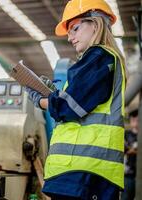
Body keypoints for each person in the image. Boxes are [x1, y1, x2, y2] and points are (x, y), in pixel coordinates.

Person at [26, 0, 126, 199]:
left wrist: (40, 100)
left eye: (75, 29)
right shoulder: (98, 61)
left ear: (95, 24)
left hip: (85, 173)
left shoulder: (99, 57)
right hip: (84, 173)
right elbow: (76, 101)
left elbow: (69, 107)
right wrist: (53, 92)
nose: (70, 38)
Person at [122, 109, 138, 200]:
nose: (135, 123)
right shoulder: (126, 135)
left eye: (137, 120)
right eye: (133, 120)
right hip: (128, 174)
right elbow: (124, 149)